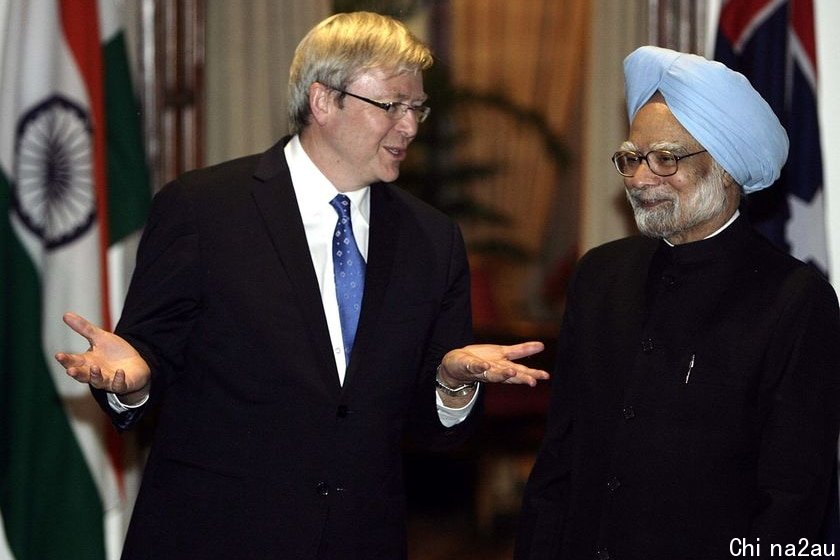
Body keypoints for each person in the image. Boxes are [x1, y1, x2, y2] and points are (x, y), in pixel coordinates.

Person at [55, 12, 548, 559]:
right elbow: (145, 362)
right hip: (213, 537)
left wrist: (451, 386)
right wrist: (133, 382)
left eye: (417, 109)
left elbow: (437, 433)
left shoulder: (432, 241)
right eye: (392, 106)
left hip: (360, 540)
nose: (409, 127)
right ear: (323, 101)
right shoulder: (204, 210)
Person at [515, 45, 840, 560]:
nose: (641, 179)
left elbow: (794, 498)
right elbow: (561, 455)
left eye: (666, 158)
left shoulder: (795, 299)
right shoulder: (600, 275)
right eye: (631, 159)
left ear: (728, 167)